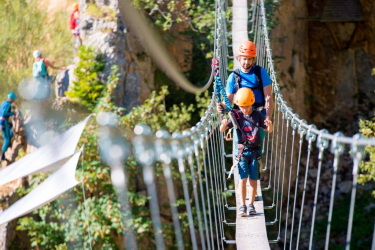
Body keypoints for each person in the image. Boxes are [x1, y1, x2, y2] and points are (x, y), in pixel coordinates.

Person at [220, 88, 273, 216]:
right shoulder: (236, 116)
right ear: (238, 105)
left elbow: (268, 130)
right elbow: (222, 130)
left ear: (252, 104)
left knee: (253, 180)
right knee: (243, 179)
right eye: (242, 106)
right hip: (243, 153)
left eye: (247, 106)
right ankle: (242, 205)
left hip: (255, 152)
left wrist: (269, 125)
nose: (244, 109)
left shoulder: (258, 115)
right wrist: (224, 123)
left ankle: (251, 205)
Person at [0, 92, 17, 161]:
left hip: (2, 122)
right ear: (12, 99)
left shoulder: (3, 103)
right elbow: (4, 113)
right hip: (4, 122)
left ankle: (8, 146)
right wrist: (13, 113)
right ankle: (2, 154)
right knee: (7, 138)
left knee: (11, 130)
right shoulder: (8, 105)